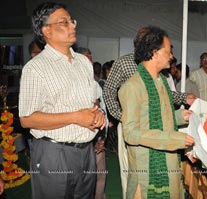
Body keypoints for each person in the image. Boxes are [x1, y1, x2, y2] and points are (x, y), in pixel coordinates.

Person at [18, 2, 106, 199]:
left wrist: (96, 112)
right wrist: (76, 117)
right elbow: (27, 119)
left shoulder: (83, 62)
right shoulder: (36, 68)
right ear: (46, 31)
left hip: (86, 151)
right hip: (53, 153)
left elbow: (92, 101)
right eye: (63, 22)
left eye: (71, 21)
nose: (73, 26)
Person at [103, 28, 197, 198]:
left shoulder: (159, 81)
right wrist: (174, 139)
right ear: (155, 53)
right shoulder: (132, 87)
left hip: (168, 161)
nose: (172, 56)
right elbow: (131, 133)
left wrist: (180, 116)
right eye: (168, 51)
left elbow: (157, 115)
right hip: (146, 168)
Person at [78, 48, 108, 199]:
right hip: (81, 142)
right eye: (86, 58)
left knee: (100, 175)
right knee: (83, 181)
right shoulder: (73, 84)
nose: (90, 62)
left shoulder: (95, 84)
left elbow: (102, 111)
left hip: (98, 138)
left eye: (91, 58)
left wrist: (102, 139)